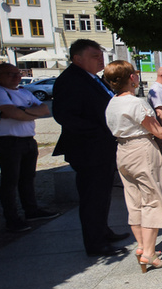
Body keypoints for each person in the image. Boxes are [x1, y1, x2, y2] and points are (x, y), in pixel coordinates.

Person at [52, 39, 129, 257]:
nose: (101, 60)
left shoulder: (92, 78)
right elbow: (65, 116)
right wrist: (101, 132)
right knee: (92, 197)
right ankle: (95, 243)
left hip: (101, 149)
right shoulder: (70, 80)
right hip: (89, 150)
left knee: (102, 195)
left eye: (101, 55)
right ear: (77, 58)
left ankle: (103, 231)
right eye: (95, 56)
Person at [104, 61, 162, 272]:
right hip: (142, 150)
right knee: (152, 199)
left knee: (134, 200)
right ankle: (149, 253)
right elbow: (159, 132)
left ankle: (142, 246)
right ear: (131, 78)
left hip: (123, 150)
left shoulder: (112, 103)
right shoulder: (136, 103)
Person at [0, 63, 60, 232]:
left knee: (28, 178)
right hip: (8, 141)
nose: (16, 77)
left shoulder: (23, 91)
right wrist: (27, 112)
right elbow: (12, 113)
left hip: (28, 140)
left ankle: (31, 210)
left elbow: (45, 109)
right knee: (10, 181)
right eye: (10, 74)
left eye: (17, 73)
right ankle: (12, 218)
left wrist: (23, 111)